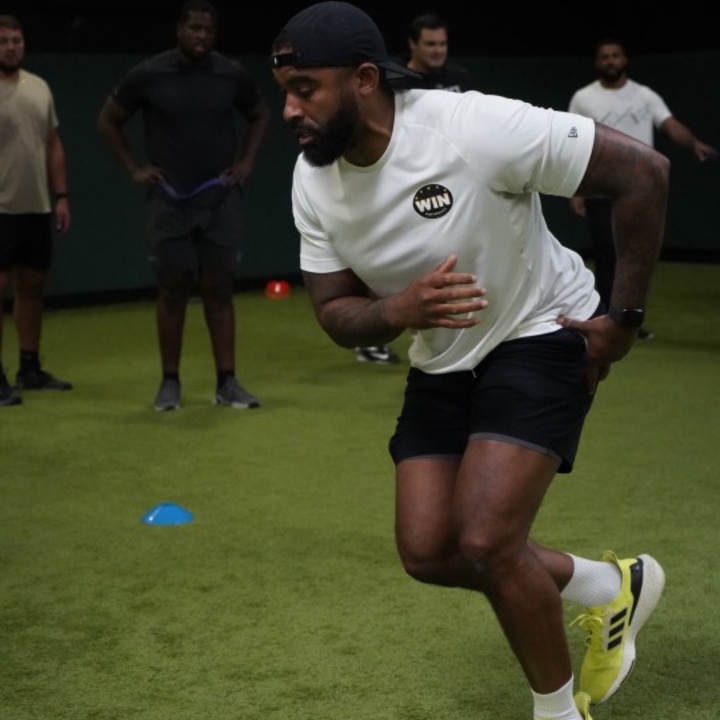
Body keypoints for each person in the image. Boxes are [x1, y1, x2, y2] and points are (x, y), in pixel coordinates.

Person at [270, 3, 668, 719]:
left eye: (305, 89)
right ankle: (609, 587)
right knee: (428, 551)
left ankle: (557, 712)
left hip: (541, 328)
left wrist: (625, 318)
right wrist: (397, 310)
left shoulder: (469, 125)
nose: (290, 110)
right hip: (443, 355)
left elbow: (644, 172)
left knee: (486, 539)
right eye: (285, 93)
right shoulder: (311, 180)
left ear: (364, 79)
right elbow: (333, 311)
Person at [97, 0, 269, 411]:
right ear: (179, 29)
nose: (201, 36)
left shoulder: (231, 73)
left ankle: (227, 382)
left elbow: (260, 115)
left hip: (219, 198)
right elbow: (108, 121)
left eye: (208, 30)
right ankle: (169, 383)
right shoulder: (149, 74)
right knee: (173, 288)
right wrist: (135, 168)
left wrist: (246, 163)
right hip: (169, 200)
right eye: (194, 28)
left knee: (219, 289)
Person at [568, 37, 715, 340]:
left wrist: (694, 144)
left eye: (615, 55)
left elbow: (670, 124)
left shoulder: (645, 95)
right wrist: (576, 189)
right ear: (597, 62)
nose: (611, 60)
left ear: (624, 60)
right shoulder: (583, 97)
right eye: (604, 56)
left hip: (639, 190)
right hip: (600, 187)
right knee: (607, 254)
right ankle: (602, 317)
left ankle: (628, 322)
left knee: (634, 255)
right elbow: (573, 140)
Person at [353, 12, 476, 367]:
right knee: (391, 258)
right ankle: (373, 338)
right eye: (430, 44)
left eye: (443, 44)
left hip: (452, 180)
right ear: (412, 44)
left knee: (449, 255)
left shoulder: (460, 80)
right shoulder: (393, 80)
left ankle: (449, 336)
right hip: (401, 179)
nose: (438, 50)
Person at [0, 14, 73, 408]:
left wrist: (61, 196)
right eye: (3, 41)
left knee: (31, 286)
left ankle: (29, 368)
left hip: (35, 206)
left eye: (16, 40)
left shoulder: (40, 87)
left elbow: (53, 144)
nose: (11, 47)